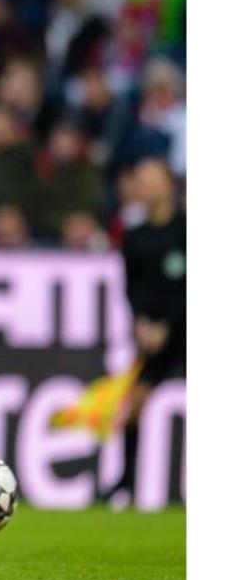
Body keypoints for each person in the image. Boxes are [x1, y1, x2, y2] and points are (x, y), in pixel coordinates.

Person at [102, 158, 185, 505]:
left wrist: (169, 325)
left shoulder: (187, 231)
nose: (145, 187)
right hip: (151, 335)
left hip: (184, 331)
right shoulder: (134, 237)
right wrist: (141, 321)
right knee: (133, 404)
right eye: (141, 180)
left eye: (152, 179)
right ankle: (127, 481)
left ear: (169, 184)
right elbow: (131, 287)